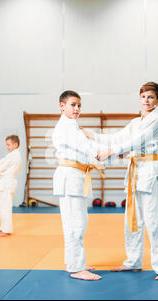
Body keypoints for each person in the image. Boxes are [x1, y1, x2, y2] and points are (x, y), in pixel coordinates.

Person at [84, 82, 158, 281]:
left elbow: (136, 142)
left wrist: (112, 151)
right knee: (132, 220)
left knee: (155, 221)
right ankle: (133, 261)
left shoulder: (156, 120)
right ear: (140, 99)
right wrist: (92, 135)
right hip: (135, 174)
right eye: (144, 97)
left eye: (151, 97)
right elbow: (117, 138)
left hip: (150, 174)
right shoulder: (136, 122)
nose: (147, 101)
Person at [52, 90, 107, 281]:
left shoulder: (73, 126)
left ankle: (74, 262)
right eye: (73, 105)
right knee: (75, 224)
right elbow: (87, 149)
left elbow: (86, 149)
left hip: (76, 177)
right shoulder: (66, 127)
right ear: (62, 106)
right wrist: (107, 153)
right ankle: (76, 268)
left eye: (79, 105)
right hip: (70, 178)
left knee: (77, 223)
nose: (76, 108)